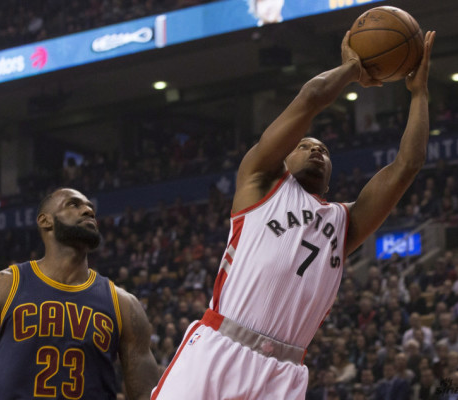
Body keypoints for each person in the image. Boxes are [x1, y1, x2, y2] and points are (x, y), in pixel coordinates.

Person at [152, 30, 436, 399]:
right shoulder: (261, 180)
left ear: (331, 179)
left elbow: (408, 164)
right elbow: (310, 98)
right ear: (284, 158)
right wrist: (352, 69)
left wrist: (419, 94)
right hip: (221, 346)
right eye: (304, 145)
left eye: (324, 151)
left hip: (284, 373)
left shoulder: (345, 223)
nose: (316, 151)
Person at [0, 188, 159, 399]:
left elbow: (146, 394)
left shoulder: (124, 305)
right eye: (74, 204)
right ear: (45, 221)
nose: (88, 211)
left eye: (90, 208)